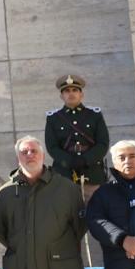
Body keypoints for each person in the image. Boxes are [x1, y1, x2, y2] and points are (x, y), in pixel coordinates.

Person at [0, 136, 85, 269]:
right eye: (24, 152)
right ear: (18, 158)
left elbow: (80, 226)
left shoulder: (66, 188)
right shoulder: (5, 193)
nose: (29, 155)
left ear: (43, 155)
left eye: (34, 151)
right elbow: (0, 231)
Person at [86, 139, 135, 269]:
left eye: (132, 156)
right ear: (114, 162)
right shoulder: (102, 194)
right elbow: (95, 222)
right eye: (122, 157)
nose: (127, 161)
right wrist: (123, 240)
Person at [46, 74, 109, 202]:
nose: (71, 93)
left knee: (95, 214)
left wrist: (85, 160)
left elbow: (103, 143)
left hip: (92, 174)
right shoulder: (54, 118)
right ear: (61, 96)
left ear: (81, 94)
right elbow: (52, 146)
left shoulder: (94, 115)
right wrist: (68, 161)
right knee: (66, 217)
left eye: (75, 90)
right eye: (67, 91)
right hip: (64, 175)